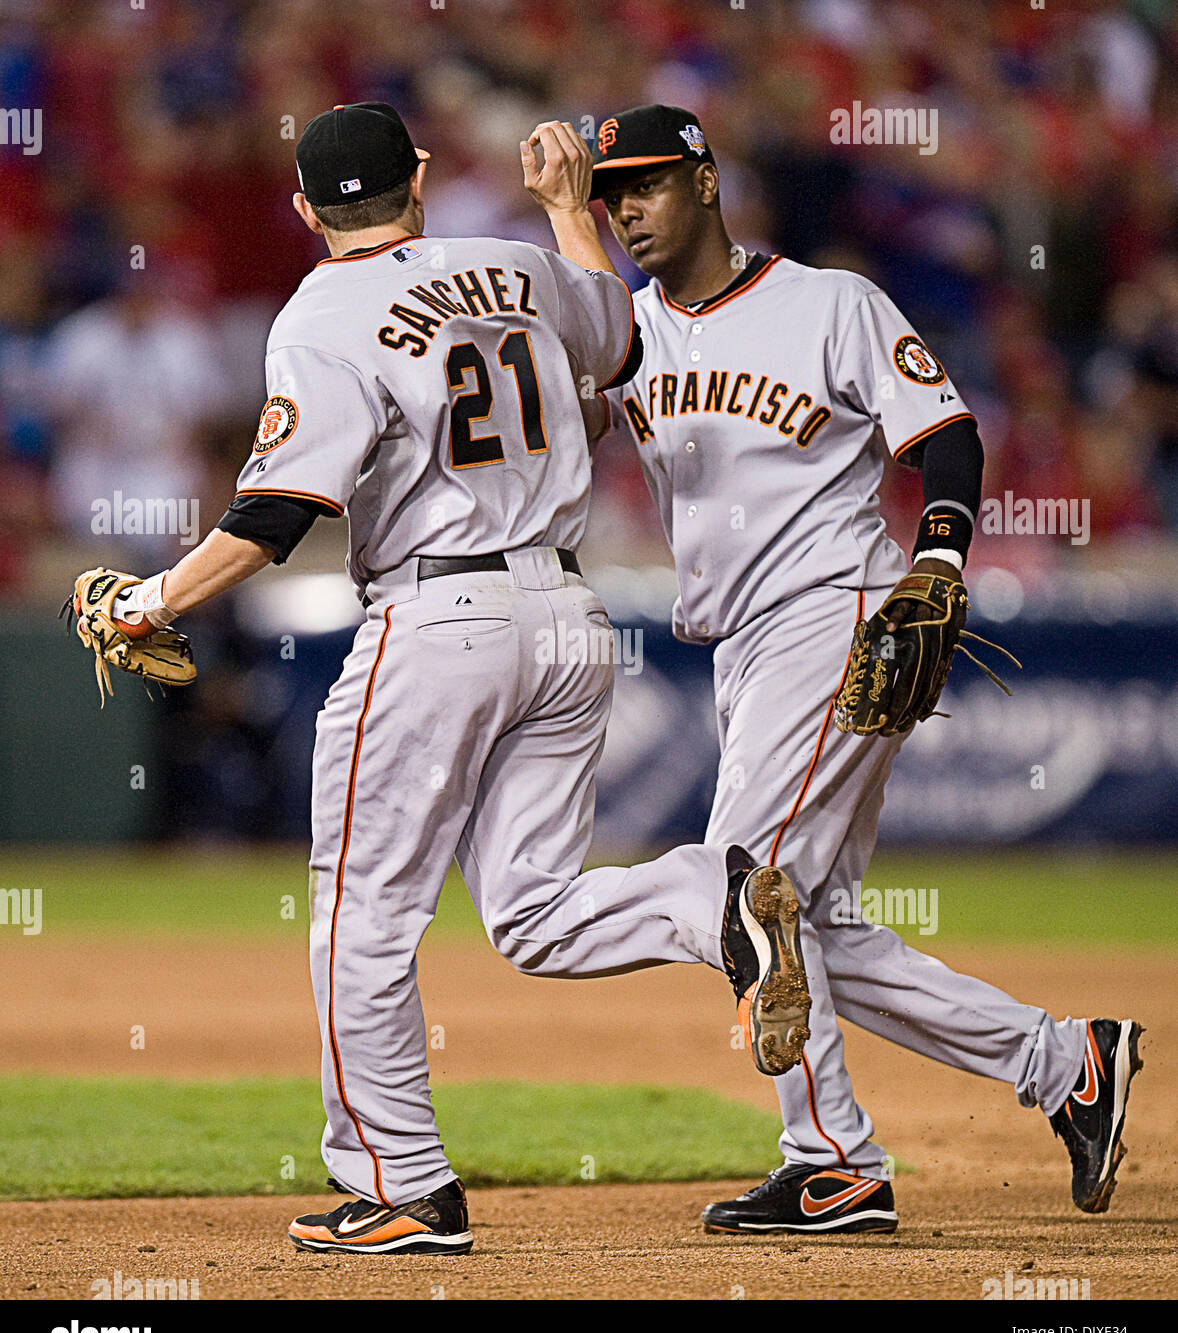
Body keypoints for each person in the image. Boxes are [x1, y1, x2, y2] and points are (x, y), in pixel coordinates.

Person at [90, 102, 813, 1255]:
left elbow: (278, 511)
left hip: (438, 615)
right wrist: (572, 213)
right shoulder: (515, 260)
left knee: (357, 915)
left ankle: (401, 1184)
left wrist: (153, 598)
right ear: (418, 176)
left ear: (303, 209)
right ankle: (709, 901)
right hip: (569, 620)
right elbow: (624, 347)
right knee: (527, 911)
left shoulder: (319, 312)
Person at [522, 104, 1143, 1233]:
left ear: (706, 182)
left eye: (648, 186)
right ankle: (1067, 1064)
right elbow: (589, 328)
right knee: (805, 925)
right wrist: (567, 216)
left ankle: (831, 1159)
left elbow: (944, 433)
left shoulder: (827, 303)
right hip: (739, 645)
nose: (628, 211)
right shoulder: (636, 330)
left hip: (837, 614)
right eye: (612, 197)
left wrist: (939, 554)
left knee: (743, 886)